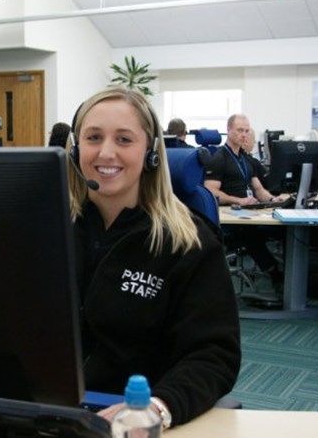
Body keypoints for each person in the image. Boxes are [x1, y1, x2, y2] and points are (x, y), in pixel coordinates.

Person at [67, 85, 240, 429]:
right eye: (94, 137)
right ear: (75, 150)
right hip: (45, 411)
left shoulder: (188, 242)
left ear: (152, 153)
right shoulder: (48, 226)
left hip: (134, 419)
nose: (106, 152)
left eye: (124, 140)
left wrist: (158, 408)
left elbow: (213, 354)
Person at [204, 114, 285, 284]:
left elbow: (258, 188)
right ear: (229, 130)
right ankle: (274, 273)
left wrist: (272, 199)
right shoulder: (219, 158)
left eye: (246, 131)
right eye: (240, 130)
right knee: (250, 232)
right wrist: (238, 201)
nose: (244, 135)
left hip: (248, 210)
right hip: (230, 216)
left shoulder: (245, 159)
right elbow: (210, 191)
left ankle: (287, 273)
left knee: (282, 228)